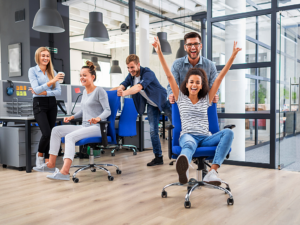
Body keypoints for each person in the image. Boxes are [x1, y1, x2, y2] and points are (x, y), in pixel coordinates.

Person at [152, 37, 241, 185]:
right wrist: (159, 52)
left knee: (229, 132)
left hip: (205, 138)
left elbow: (219, 78)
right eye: (191, 82)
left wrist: (232, 56)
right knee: (188, 145)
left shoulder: (206, 99)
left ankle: (212, 173)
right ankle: (184, 168)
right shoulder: (180, 98)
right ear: (186, 84)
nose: (194, 84)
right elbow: (169, 75)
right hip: (188, 136)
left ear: (201, 86)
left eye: (197, 82)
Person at [33, 61, 111, 181]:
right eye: (80, 75)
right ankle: (51, 165)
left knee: (69, 137)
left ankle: (64, 172)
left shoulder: (99, 91)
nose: (82, 78)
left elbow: (107, 110)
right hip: (84, 126)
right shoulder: (84, 92)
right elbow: (83, 111)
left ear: (93, 77)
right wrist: (72, 117)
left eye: (85, 75)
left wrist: (98, 118)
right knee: (56, 130)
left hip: (97, 128)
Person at [110, 54, 172, 166]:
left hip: (164, 100)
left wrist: (123, 93)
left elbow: (138, 87)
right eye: (128, 68)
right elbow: (123, 85)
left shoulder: (148, 73)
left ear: (138, 65)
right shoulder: (131, 76)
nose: (130, 70)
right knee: (153, 131)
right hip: (151, 104)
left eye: (132, 67)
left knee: (178, 125)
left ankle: (185, 151)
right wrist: (111, 91)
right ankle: (158, 157)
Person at [28, 47, 63, 169]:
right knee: (47, 133)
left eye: (47, 56)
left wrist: (43, 92)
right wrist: (51, 82)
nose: (45, 58)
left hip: (52, 104)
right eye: (43, 55)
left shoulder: (52, 71)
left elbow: (58, 92)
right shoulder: (32, 71)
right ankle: (40, 155)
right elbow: (35, 90)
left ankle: (48, 161)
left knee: (52, 133)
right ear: (38, 57)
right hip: (39, 104)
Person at [168, 32, 219, 104]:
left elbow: (215, 85)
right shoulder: (177, 64)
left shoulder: (210, 65)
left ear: (201, 46)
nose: (193, 47)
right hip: (183, 105)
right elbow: (171, 85)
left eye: (196, 44)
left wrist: (215, 95)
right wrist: (171, 95)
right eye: (189, 44)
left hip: (205, 105)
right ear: (185, 47)